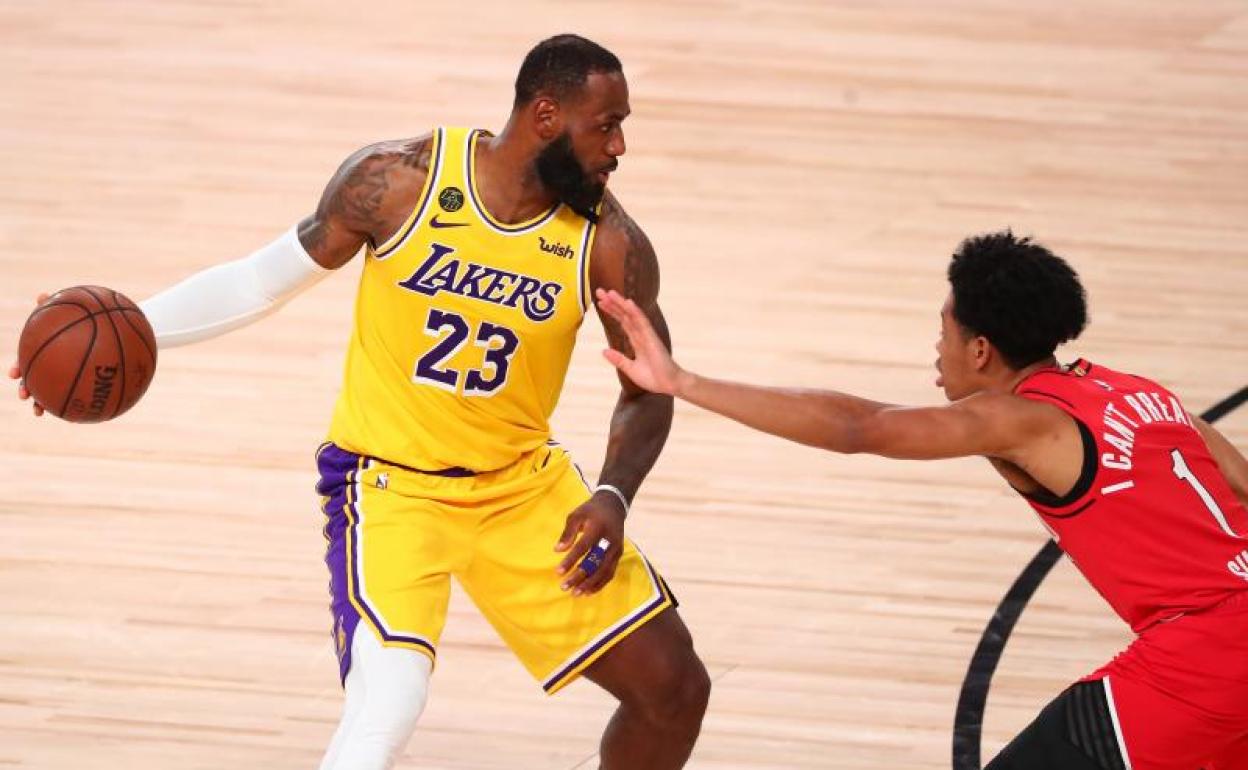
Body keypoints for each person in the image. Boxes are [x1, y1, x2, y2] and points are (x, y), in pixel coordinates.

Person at [11, 34, 710, 770]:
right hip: (389, 489)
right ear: (544, 115)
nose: (620, 145)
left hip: (520, 489)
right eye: (606, 125)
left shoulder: (609, 244)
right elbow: (259, 280)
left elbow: (649, 390)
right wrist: (131, 327)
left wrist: (613, 493)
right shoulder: (398, 181)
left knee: (673, 689)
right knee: (388, 707)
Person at [595, 231, 1248, 770]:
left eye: (945, 330)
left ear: (982, 349)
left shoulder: (1019, 418)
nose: (938, 350)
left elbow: (861, 428)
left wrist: (682, 381)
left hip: (1205, 663)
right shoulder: (1144, 394)